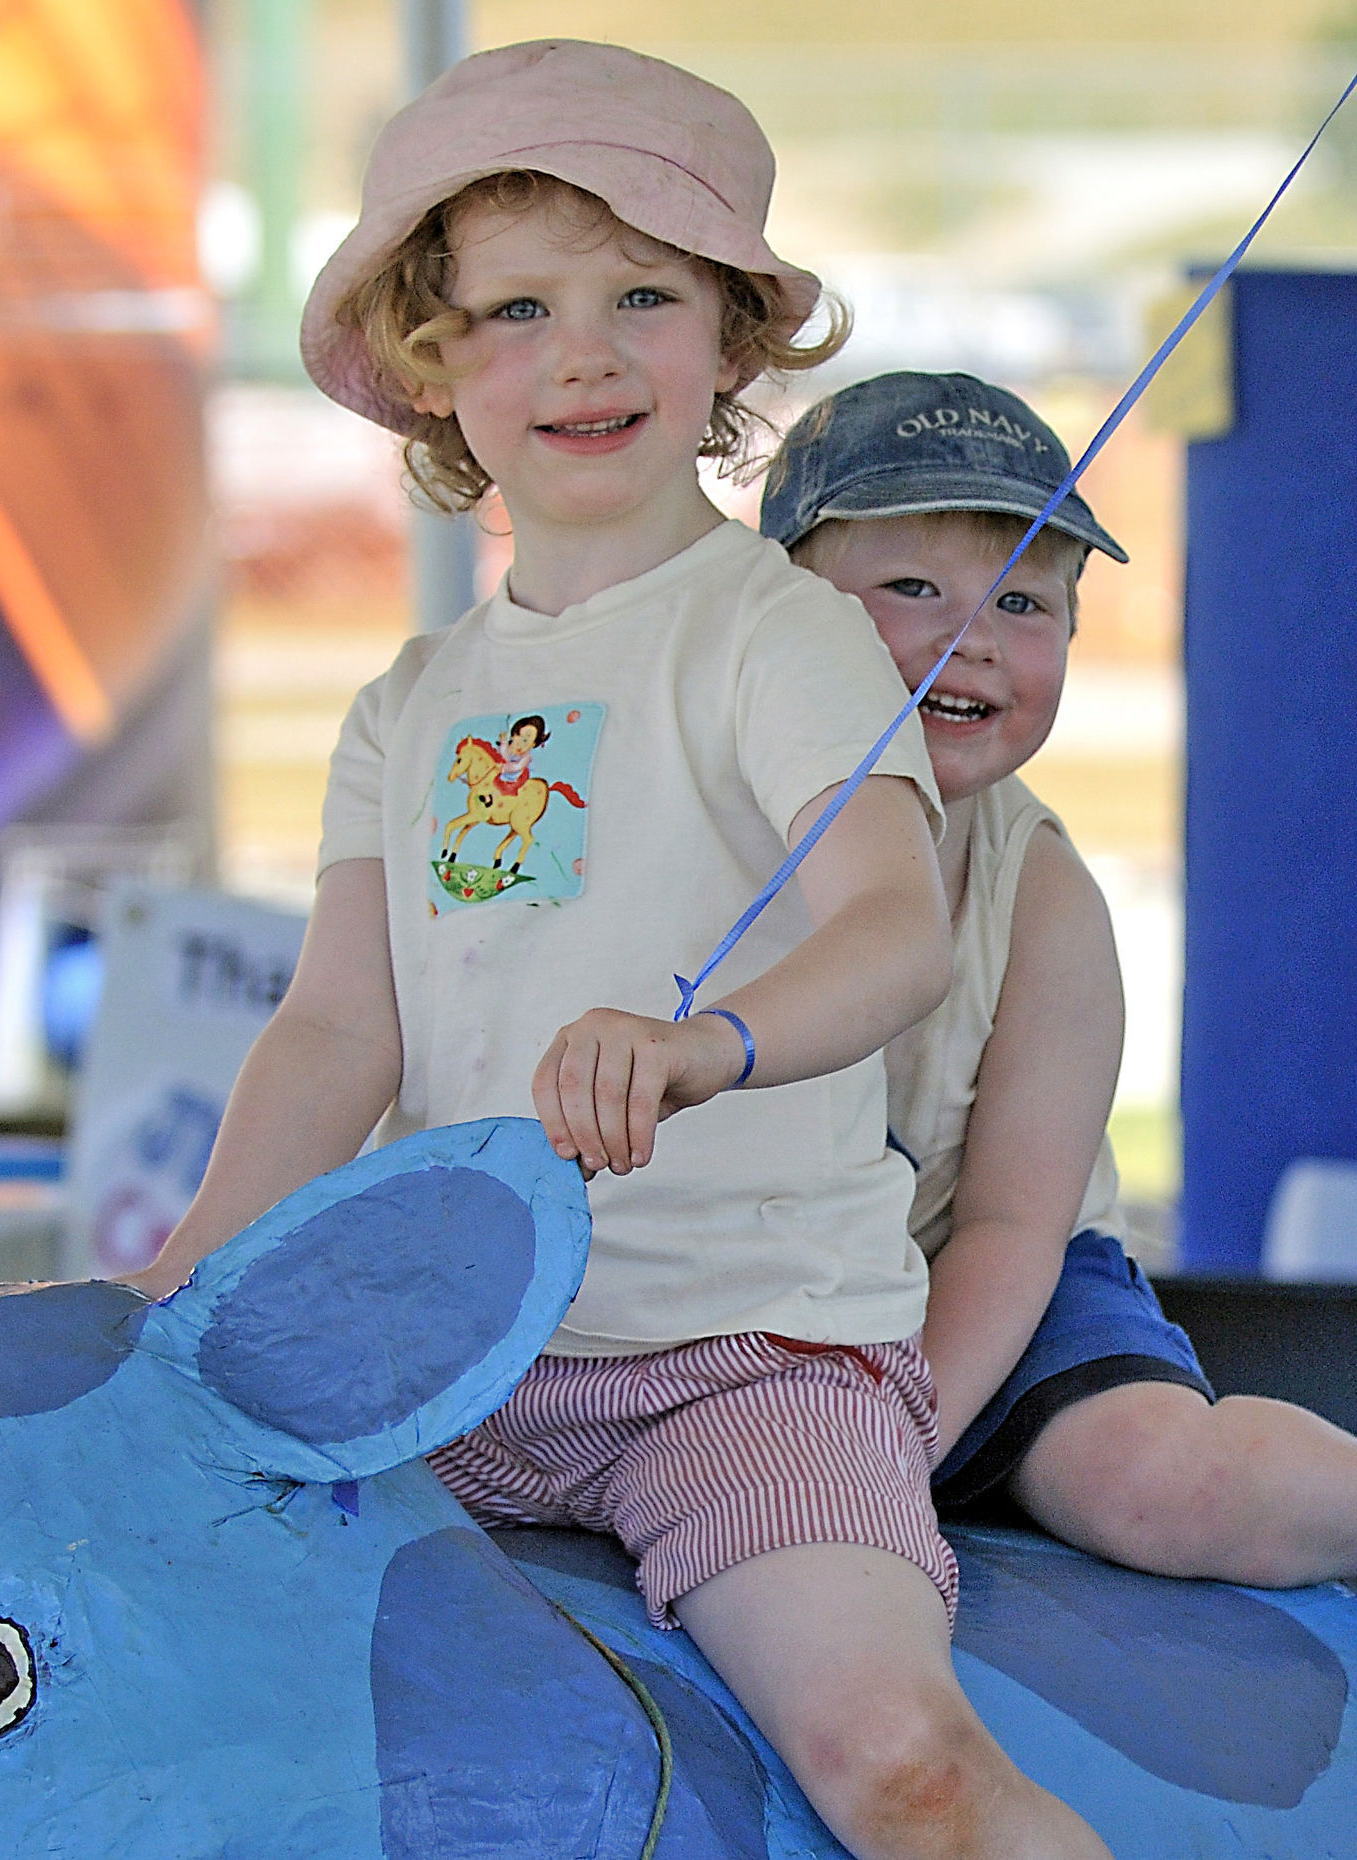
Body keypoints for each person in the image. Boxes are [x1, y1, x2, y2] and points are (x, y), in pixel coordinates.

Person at [129, 46, 1110, 1860]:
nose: (582, 356)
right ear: (434, 367)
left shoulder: (783, 636)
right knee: (182, 1673)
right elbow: (336, 1032)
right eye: (518, 311)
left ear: (732, 338)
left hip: (749, 1357)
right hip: (456, 1346)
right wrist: (172, 1297)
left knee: (902, 1767)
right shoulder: (407, 700)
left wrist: (705, 1043)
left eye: (643, 297)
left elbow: (892, 929)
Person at [763, 369, 1357, 1588]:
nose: (972, 637)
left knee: (1164, 1482)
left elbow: (1011, 1225)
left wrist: (892, 1450)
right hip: (747, 1288)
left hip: (992, 1288)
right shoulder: (695, 822)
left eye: (1025, 601)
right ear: (769, 613)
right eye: (912, 588)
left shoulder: (1041, 896)